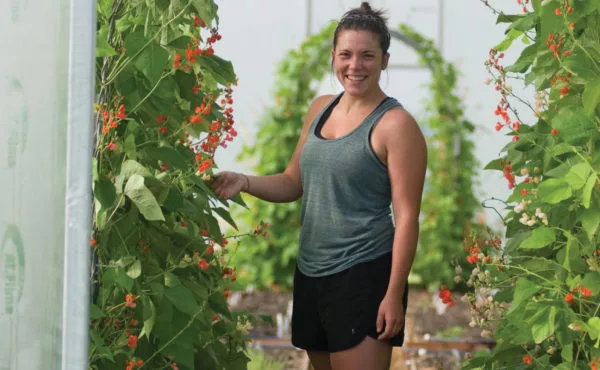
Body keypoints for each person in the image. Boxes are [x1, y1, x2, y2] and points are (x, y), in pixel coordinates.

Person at [210, 2, 427, 369]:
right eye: (346, 55)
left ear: (385, 61)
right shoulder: (320, 108)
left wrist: (393, 295)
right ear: (333, 57)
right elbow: (293, 182)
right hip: (312, 271)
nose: (355, 66)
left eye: (367, 56)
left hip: (364, 274)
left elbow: (406, 217)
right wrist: (244, 181)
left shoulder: (395, 125)